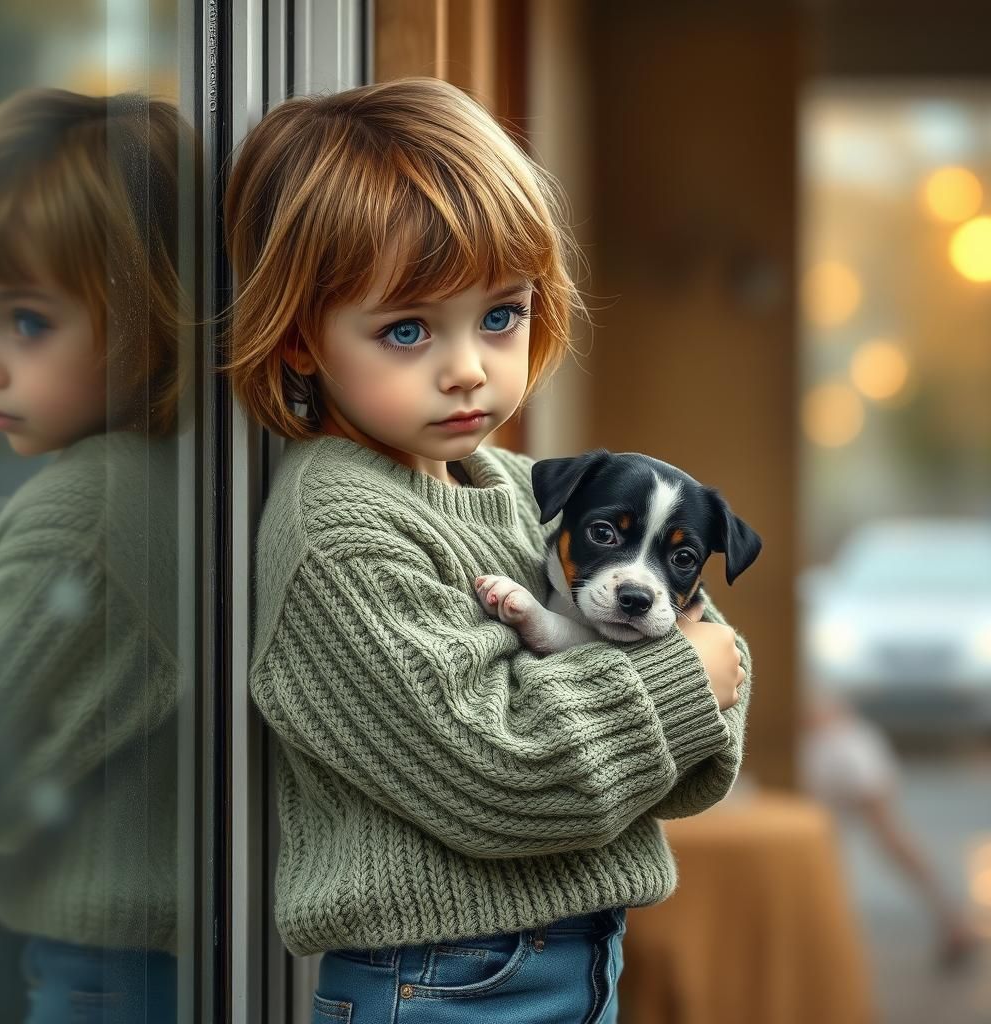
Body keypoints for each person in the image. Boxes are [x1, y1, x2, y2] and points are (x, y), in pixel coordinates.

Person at [224, 76, 753, 1024]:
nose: (469, 366)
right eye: (407, 329)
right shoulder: (341, 532)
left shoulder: (512, 485)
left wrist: (703, 676)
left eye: (499, 315)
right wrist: (692, 676)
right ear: (301, 340)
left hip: (568, 953)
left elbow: (693, 765)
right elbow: (505, 771)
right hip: (442, 980)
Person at [0, 87, 191, 1023]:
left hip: (104, 974)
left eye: (28, 322)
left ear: (148, 314)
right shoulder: (180, 479)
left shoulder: (82, 511)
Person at [798, 689, 981, 970]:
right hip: (831, 741)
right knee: (884, 840)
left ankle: (952, 917)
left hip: (826, 744)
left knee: (889, 839)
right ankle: (951, 916)